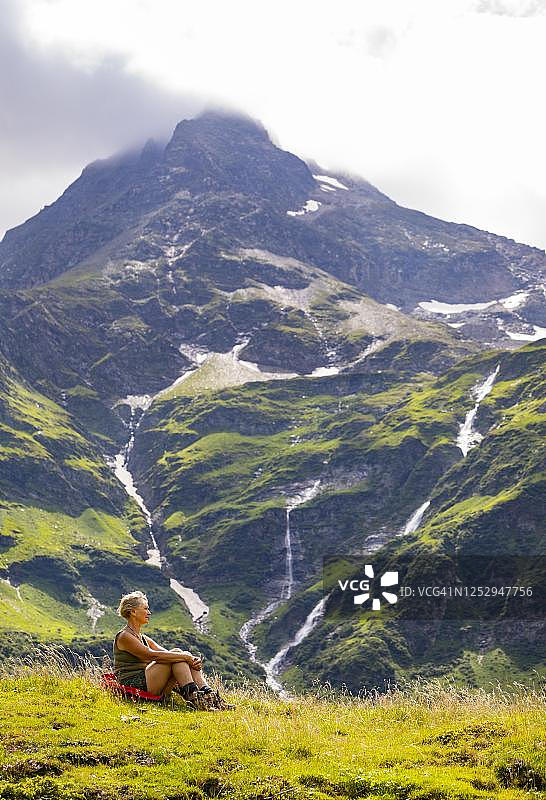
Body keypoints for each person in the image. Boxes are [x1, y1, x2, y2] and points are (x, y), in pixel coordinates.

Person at [113, 590, 233, 710]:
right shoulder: (125, 636)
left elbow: (168, 654)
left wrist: (189, 658)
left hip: (149, 681)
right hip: (134, 684)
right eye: (145, 609)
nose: (149, 612)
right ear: (133, 612)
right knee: (178, 655)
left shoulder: (142, 637)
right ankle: (195, 698)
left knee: (179, 655)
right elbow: (152, 656)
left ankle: (210, 697)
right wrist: (186, 657)